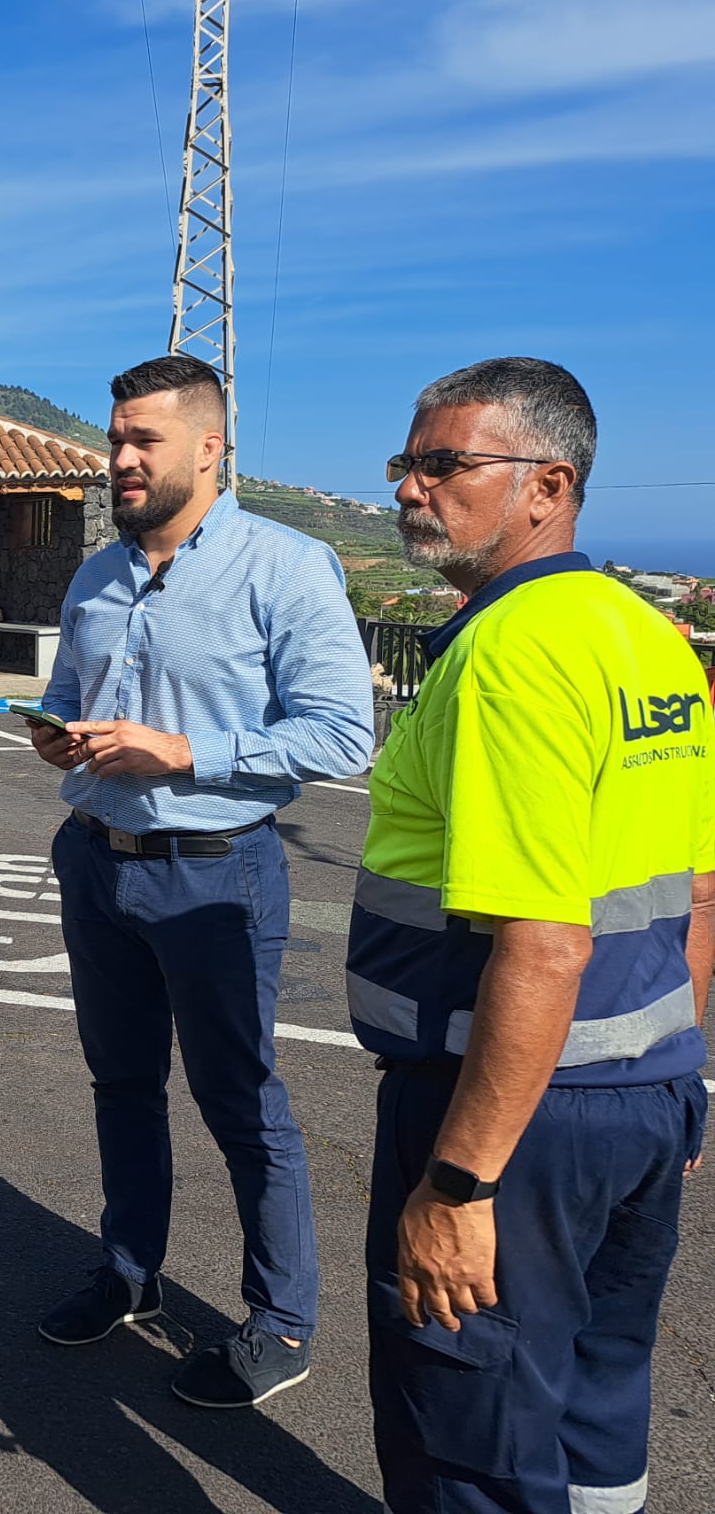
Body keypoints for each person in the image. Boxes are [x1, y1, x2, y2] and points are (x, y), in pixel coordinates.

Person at [348, 357, 711, 1512]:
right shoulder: (646, 635)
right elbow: (696, 893)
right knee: (596, 1407)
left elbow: (542, 943)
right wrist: (676, 1070)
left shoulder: (508, 656)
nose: (410, 486)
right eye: (407, 462)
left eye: (444, 463)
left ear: (547, 484)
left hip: (507, 1111)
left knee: (472, 1433)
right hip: (638, 1100)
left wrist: (457, 1184)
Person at [29, 353, 374, 1408]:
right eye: (114, 441)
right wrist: (61, 740)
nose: (119, 461)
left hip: (215, 873)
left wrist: (181, 753)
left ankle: (278, 1322)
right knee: (120, 1083)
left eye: (143, 442)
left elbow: (341, 734)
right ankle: (129, 1274)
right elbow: (64, 692)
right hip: (96, 861)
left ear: (209, 449)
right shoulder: (97, 570)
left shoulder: (287, 565)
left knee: (240, 1102)